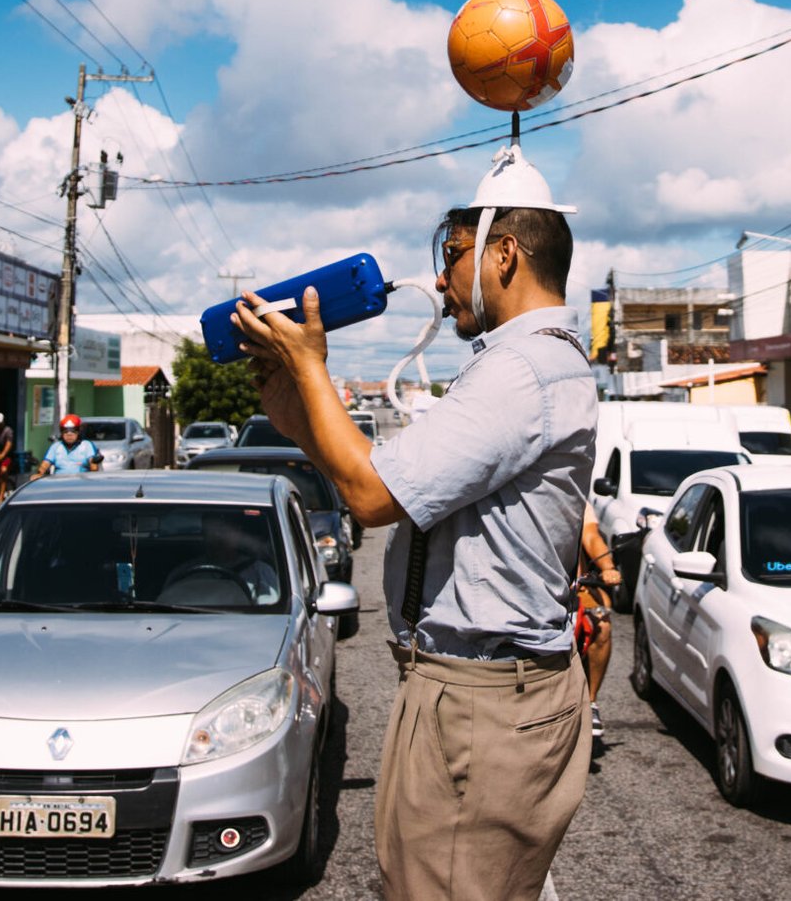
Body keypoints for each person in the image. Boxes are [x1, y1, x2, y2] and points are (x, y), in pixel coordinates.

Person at [231, 144, 595, 901]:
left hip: (479, 704)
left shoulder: (518, 371)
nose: (439, 277)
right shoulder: (535, 361)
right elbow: (383, 479)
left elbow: (366, 497)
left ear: (504, 254)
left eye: (452, 252)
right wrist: (300, 417)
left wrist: (311, 365)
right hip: (481, 693)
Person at [578, 506, 623, 739]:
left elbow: (590, 535)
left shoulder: (573, 494)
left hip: (573, 586)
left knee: (601, 624)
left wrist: (608, 568)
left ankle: (591, 701)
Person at [33, 414, 104, 478]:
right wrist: (39, 473)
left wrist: (94, 464)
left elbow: (93, 465)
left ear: (78, 432)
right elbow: (46, 463)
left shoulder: (86, 445)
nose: (69, 435)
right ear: (61, 433)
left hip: (81, 482)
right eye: (66, 432)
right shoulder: (56, 446)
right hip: (59, 482)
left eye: (73, 432)